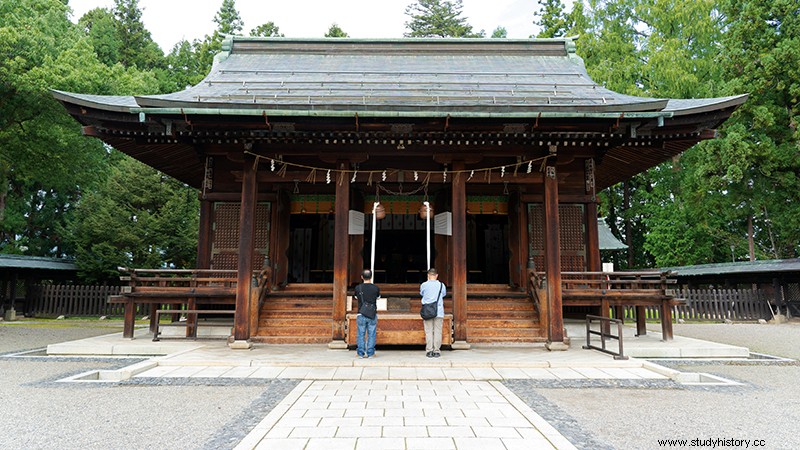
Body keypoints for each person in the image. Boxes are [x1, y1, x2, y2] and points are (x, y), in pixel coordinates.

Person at [420, 268, 446, 358]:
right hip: (438, 311)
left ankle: (429, 350)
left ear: (428, 275)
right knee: (438, 331)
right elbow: (443, 294)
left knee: (428, 331)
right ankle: (437, 351)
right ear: (436, 275)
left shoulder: (424, 285)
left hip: (427, 311)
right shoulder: (442, 285)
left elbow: (422, 293)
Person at [354, 269, 380, 358]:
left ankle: (360, 353)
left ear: (362, 277)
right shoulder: (375, 288)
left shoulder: (358, 288)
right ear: (371, 277)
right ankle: (370, 353)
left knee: (360, 333)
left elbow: (356, 297)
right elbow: (378, 297)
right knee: (371, 333)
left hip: (361, 313)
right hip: (372, 313)